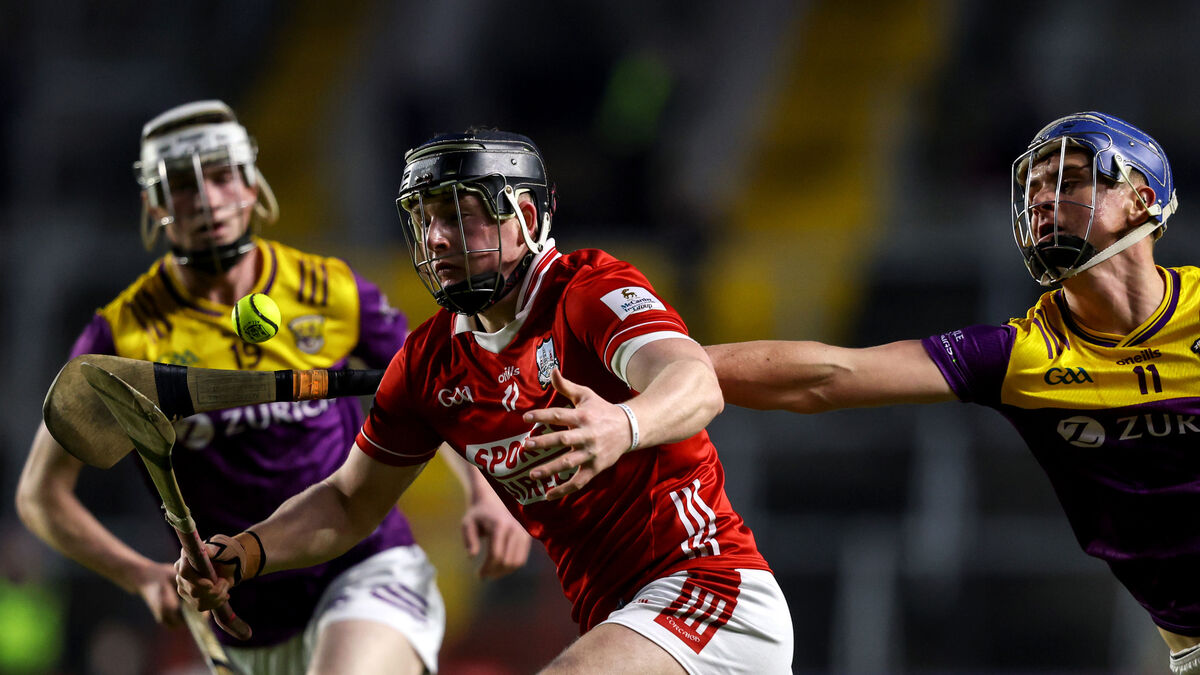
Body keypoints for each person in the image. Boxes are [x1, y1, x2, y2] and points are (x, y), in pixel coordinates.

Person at [174, 128, 795, 673]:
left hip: (710, 594)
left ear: (523, 214)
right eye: (425, 219)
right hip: (623, 624)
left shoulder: (587, 291)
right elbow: (347, 500)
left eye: (459, 216)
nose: (438, 239)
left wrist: (620, 426)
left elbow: (696, 381)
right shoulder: (428, 363)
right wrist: (246, 552)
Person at [15, 101, 530, 675]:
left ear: (251, 183)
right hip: (243, 622)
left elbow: (436, 386)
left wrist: (486, 492)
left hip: (362, 570)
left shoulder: (328, 289)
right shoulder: (122, 333)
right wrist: (140, 575)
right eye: (183, 186)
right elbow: (40, 495)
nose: (208, 200)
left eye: (221, 175)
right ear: (154, 204)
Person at [704, 110, 1200, 673]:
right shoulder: (1023, 355)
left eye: (1070, 178)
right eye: (1033, 185)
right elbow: (830, 377)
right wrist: (666, 364)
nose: (1040, 198)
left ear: (1141, 199)